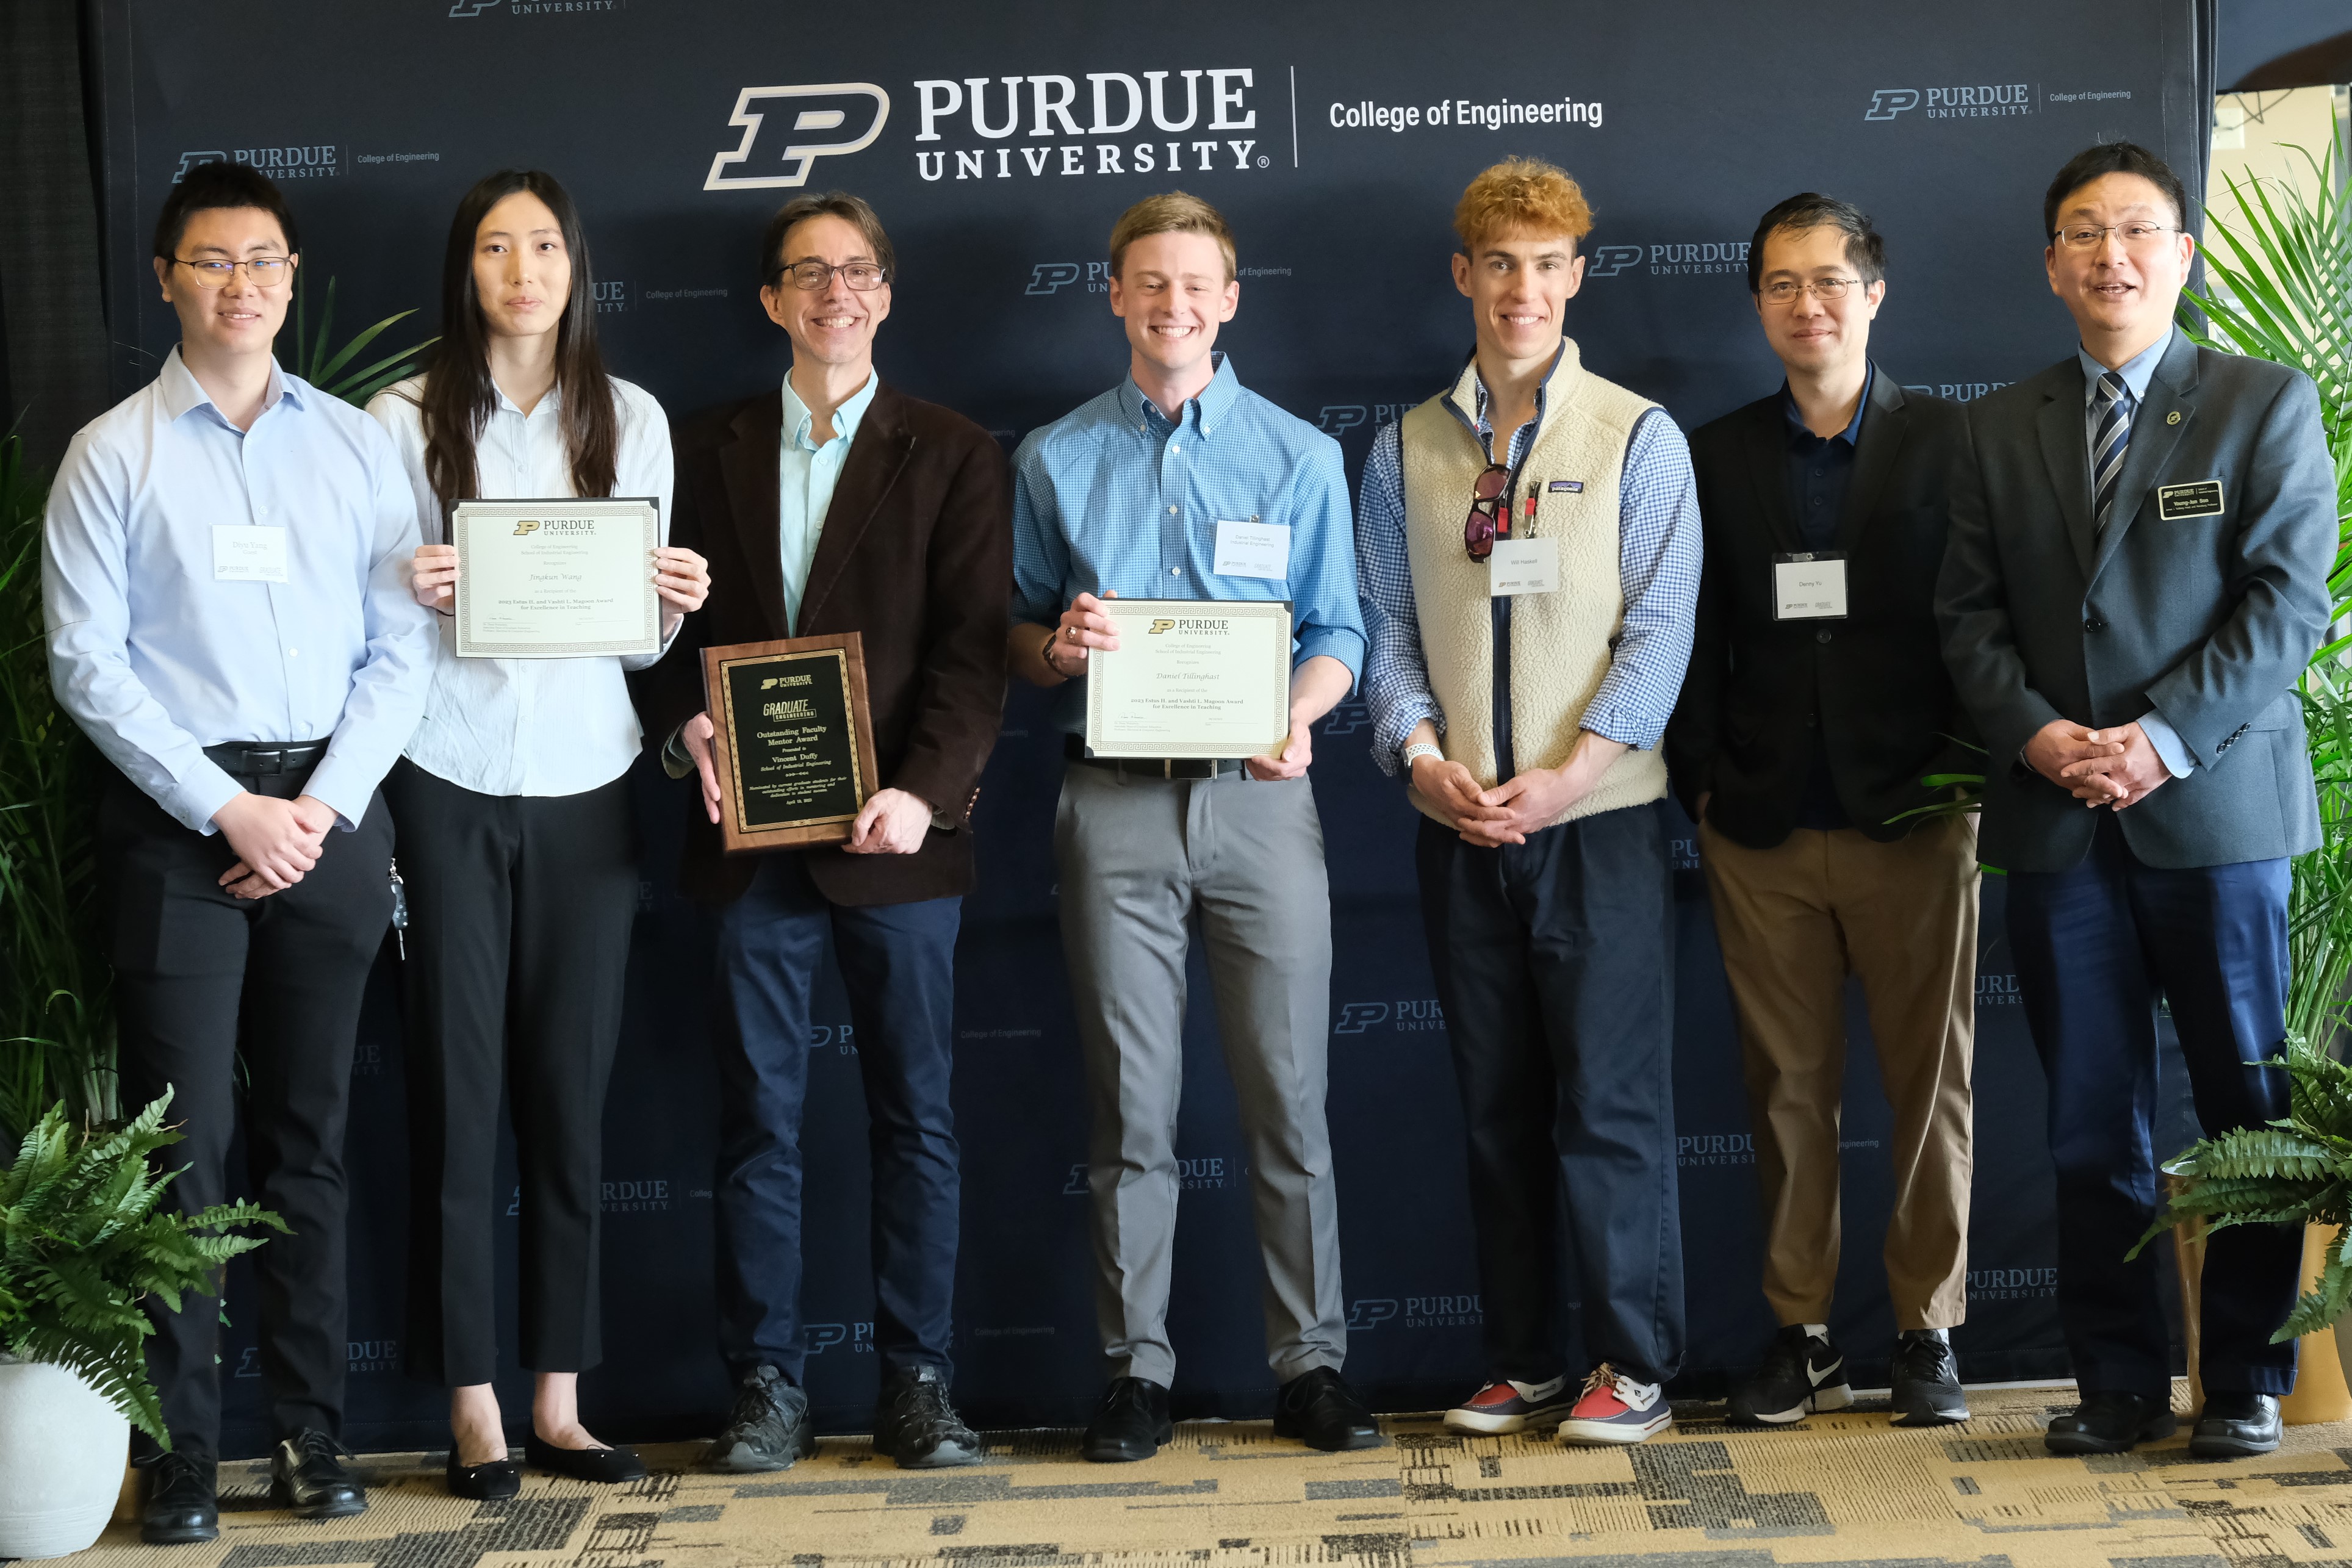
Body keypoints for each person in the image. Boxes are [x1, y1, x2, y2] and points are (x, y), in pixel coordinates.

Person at [42, 162, 435, 1540]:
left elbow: (406, 646)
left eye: (265, 261)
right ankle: (188, 1454)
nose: (243, 285)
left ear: (291, 278)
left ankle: (316, 1442)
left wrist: (317, 807)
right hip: (176, 829)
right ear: (166, 279)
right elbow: (88, 668)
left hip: (328, 816)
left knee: (313, 1140)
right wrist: (228, 808)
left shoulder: (357, 449)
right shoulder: (114, 454)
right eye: (214, 261)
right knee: (183, 1151)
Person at [1938, 142, 2336, 1459]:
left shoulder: (2259, 404)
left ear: (2179, 251)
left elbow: (2282, 606)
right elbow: (1965, 615)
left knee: (2246, 1119)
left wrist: (2160, 741)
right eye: (2080, 234)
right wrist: (2045, 737)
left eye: (2134, 231)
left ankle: (2243, 1380)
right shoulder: (1998, 425)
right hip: (2057, 817)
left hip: (2212, 815)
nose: (2108, 255)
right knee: (2084, 1113)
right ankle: (2112, 1378)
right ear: (2050, 265)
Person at [635, 190, 1010, 1472]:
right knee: (757, 1121)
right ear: (769, 300)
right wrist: (685, 723)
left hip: (901, 839)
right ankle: (767, 1384)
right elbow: (646, 628)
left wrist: (921, 789)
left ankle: (918, 1380)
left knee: (917, 1119)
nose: (832, 294)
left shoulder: (955, 451)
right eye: (806, 273)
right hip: (747, 840)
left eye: (856, 273)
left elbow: (971, 655)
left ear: (887, 295)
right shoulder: (696, 447)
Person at [1009, 191, 1376, 1461]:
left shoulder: (1295, 455)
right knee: (1131, 1110)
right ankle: (1135, 1372)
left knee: (1289, 1099)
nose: (1171, 304)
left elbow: (1341, 629)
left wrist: (1302, 712)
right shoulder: (1052, 457)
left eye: (1195, 284)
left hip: (1260, 795)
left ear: (1230, 299)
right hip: (1110, 804)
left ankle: (1311, 1363)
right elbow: (1013, 626)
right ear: (1111, 295)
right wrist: (1051, 645)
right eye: (1147, 283)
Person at [365, 169, 710, 1498]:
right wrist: (406, 585)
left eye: (547, 245)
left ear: (578, 267)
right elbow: (370, 624)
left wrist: (671, 601)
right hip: (442, 774)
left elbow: (631, 638)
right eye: (498, 246)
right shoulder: (396, 418)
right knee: (458, 1102)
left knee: (568, 1100)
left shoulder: (630, 417)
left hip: (585, 782)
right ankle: (472, 1407)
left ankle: (560, 1398)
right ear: (467, 269)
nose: (524, 268)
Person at [1354, 157, 1699, 1446]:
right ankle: (1522, 1357)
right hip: (1459, 829)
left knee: (1606, 1104)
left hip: (1596, 823)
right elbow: (1383, 627)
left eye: (1547, 264)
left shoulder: (1634, 434)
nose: (1522, 288)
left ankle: (1630, 1363)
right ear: (1464, 274)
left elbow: (1659, 632)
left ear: (1575, 277)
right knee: (1494, 1101)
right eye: (1499, 263)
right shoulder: (1404, 446)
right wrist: (1419, 758)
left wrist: (1564, 777)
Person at [1664, 194, 1977, 1428]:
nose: (1807, 304)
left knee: (1927, 1087)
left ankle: (1926, 1332)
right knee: (1786, 1093)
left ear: (1874, 293)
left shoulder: (1954, 444)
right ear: (1756, 304)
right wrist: (1699, 780)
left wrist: (1964, 777)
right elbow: (1684, 638)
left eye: (1828, 281)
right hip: (1761, 823)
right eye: (1782, 285)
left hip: (1914, 816)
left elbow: (1984, 624)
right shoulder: (1712, 453)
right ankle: (1799, 1333)